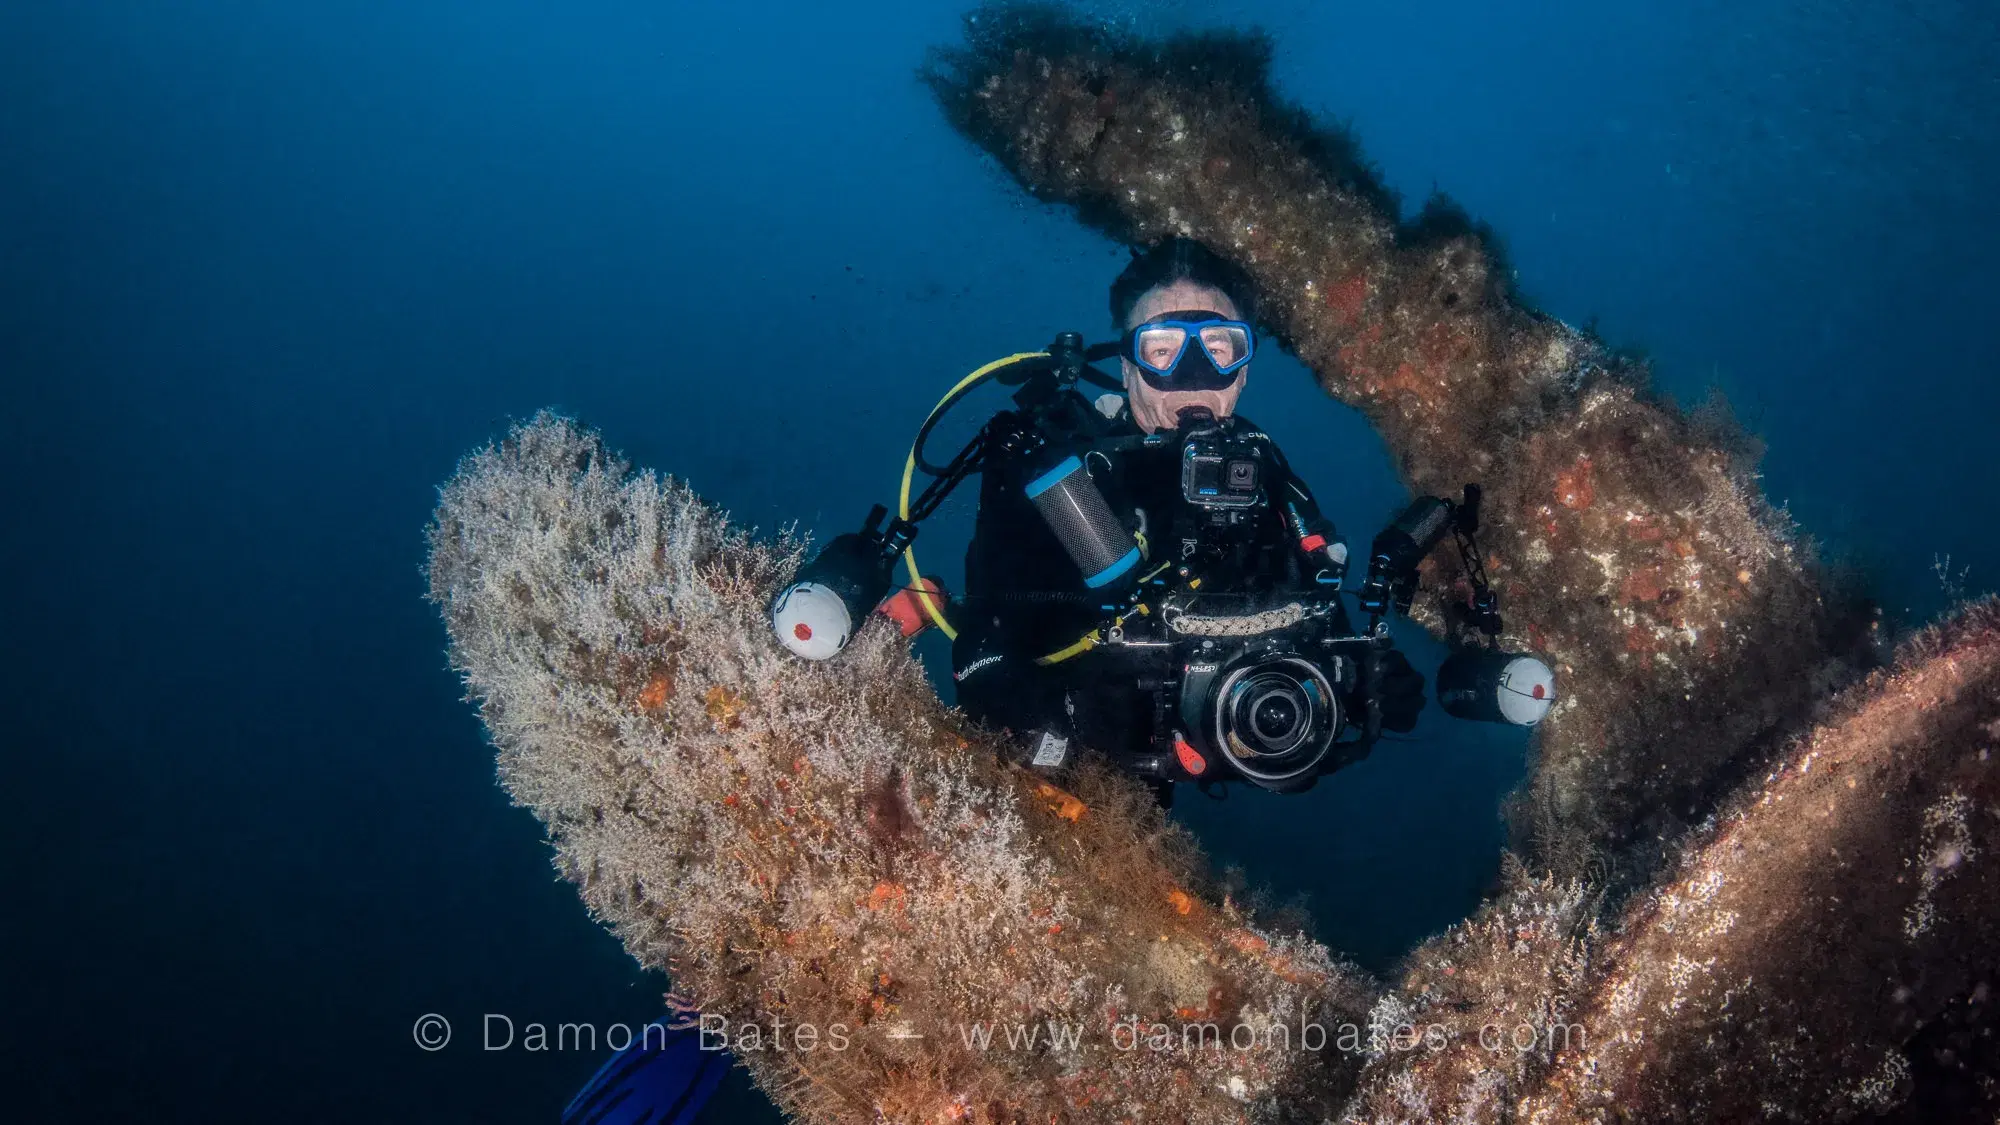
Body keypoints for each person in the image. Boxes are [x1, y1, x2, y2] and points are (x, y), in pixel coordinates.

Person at [948, 238, 1425, 801]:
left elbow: (1314, 626)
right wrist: (1074, 718)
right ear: (1128, 367)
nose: (1194, 372)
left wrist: (1359, 685)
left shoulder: (1264, 474)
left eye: (1221, 347)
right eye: (1163, 347)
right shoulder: (1061, 478)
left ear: (1243, 372)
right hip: (1081, 792)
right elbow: (978, 664)